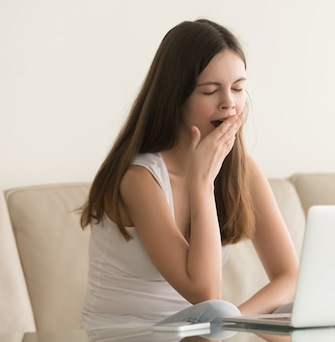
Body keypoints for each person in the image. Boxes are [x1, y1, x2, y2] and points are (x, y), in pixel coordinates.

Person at [79, 19, 298, 330]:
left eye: (238, 88)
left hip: (197, 330)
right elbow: (205, 292)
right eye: (210, 91)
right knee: (214, 310)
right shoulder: (139, 178)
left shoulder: (242, 169)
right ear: (176, 98)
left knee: (297, 311)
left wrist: (237, 319)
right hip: (127, 335)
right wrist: (202, 182)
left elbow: (289, 275)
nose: (229, 103)